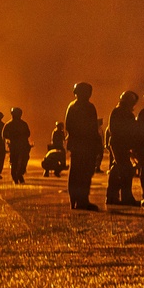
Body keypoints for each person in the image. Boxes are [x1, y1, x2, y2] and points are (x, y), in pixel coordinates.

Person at [65, 82, 100, 210]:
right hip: (86, 145)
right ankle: (82, 201)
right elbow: (92, 128)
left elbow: (68, 126)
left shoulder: (72, 106)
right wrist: (96, 143)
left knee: (75, 173)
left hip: (76, 145)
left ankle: (74, 200)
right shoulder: (89, 107)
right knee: (85, 173)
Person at [105, 91, 140, 206]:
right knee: (126, 169)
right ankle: (126, 197)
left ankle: (112, 196)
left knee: (117, 169)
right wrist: (133, 146)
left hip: (117, 144)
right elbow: (130, 131)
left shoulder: (116, 111)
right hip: (120, 144)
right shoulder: (125, 113)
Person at [3, 107, 31, 184]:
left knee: (24, 161)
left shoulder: (23, 124)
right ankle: (15, 177)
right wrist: (13, 137)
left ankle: (19, 174)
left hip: (23, 145)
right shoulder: (8, 124)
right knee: (14, 162)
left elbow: (28, 134)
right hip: (14, 146)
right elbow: (4, 134)